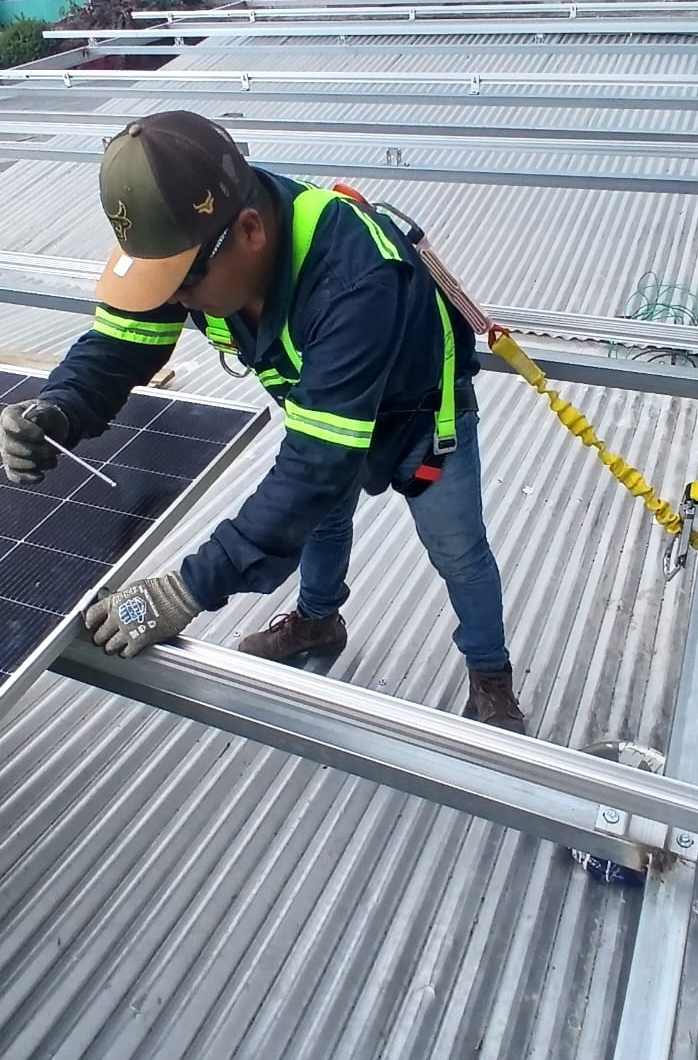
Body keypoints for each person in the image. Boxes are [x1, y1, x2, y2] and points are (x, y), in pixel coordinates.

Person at [0, 111, 525, 733]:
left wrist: (186, 590)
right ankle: (317, 621)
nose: (174, 301)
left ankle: (490, 673)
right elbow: (119, 345)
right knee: (321, 524)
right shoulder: (202, 242)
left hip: (420, 420)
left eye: (182, 283)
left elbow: (317, 467)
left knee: (458, 551)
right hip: (322, 409)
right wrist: (59, 408)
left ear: (249, 231)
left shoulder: (355, 277)